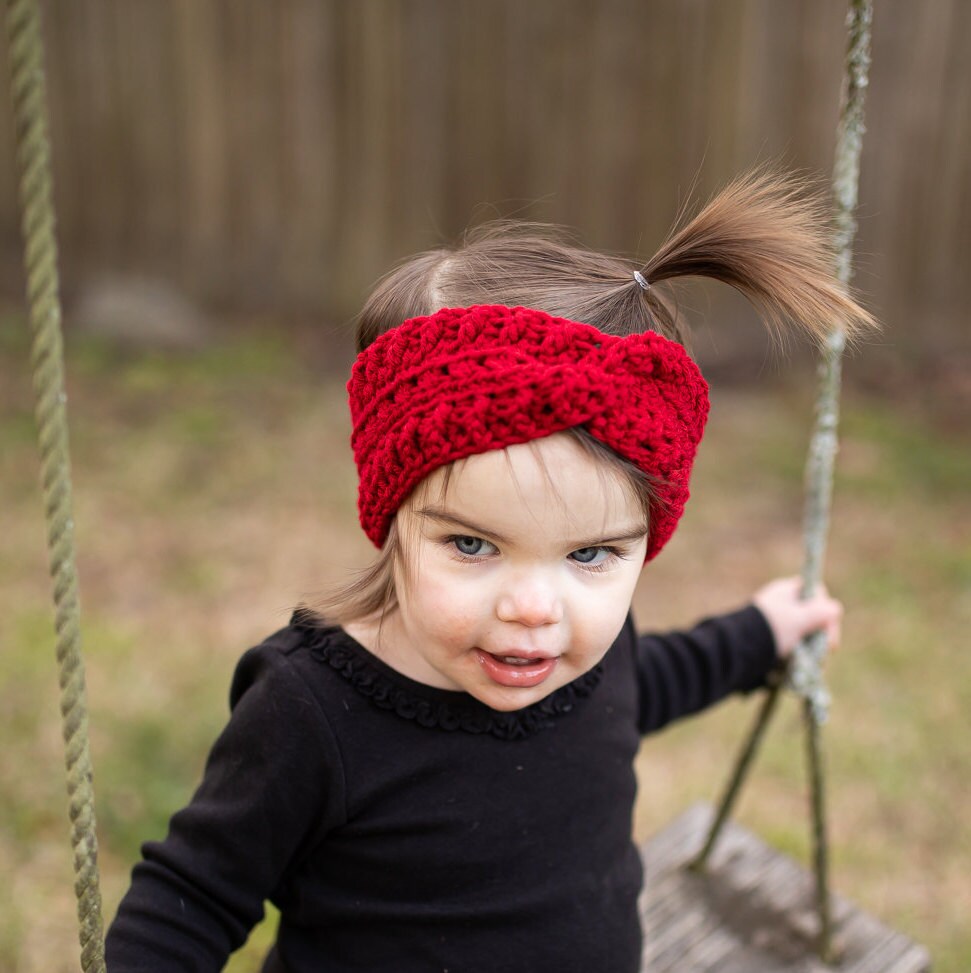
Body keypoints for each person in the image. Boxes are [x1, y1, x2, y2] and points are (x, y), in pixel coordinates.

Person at [106, 171, 872, 973]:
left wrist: (758, 636)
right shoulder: (311, 709)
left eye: (589, 554)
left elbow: (649, 682)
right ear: (392, 513)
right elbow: (190, 897)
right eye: (472, 545)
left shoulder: (595, 650)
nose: (535, 607)